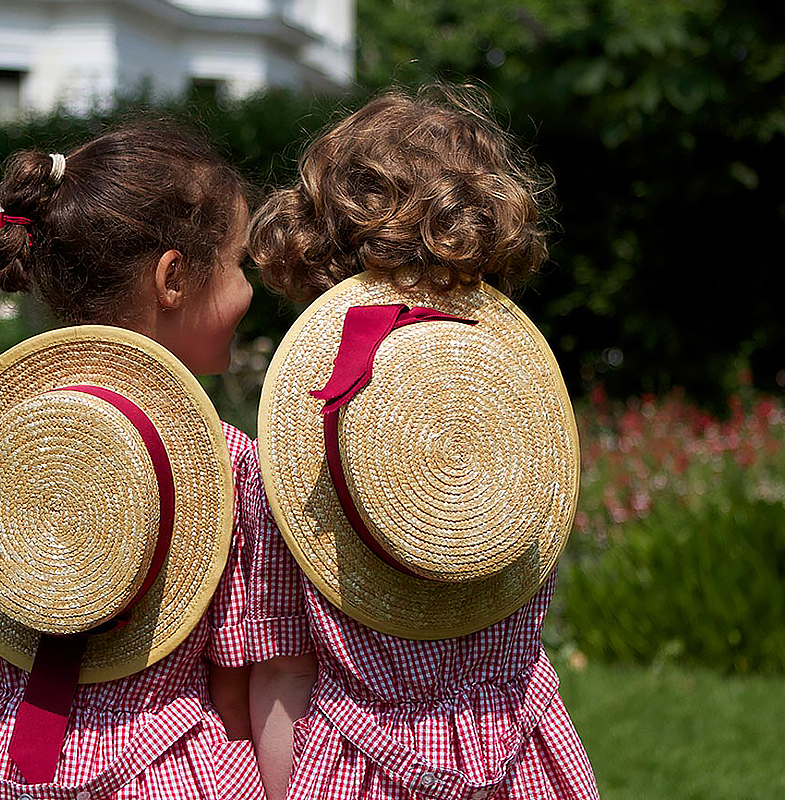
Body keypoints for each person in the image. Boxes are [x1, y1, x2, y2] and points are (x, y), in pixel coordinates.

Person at [243, 84, 600, 799]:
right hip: (519, 753)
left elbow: (283, 670)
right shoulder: (513, 412)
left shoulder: (296, 447)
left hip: (355, 768)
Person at [0, 122, 265, 800]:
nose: (250, 290)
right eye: (239, 262)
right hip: (169, 775)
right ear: (174, 277)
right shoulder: (225, 467)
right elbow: (237, 683)